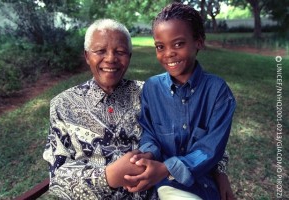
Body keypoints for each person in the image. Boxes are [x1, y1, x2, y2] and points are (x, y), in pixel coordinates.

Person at [43, 18, 234, 200]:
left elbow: (202, 134)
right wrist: (108, 176)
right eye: (100, 50)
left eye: (120, 51)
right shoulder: (63, 105)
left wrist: (219, 172)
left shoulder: (150, 92)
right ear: (87, 56)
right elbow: (57, 177)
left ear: (129, 57)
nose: (110, 59)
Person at [124, 3, 236, 200]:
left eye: (178, 44)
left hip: (203, 181)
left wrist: (168, 168)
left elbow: (211, 148)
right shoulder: (152, 88)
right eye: (160, 46)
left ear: (198, 42)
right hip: (161, 183)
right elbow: (149, 132)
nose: (168, 53)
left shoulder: (218, 92)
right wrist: (148, 154)